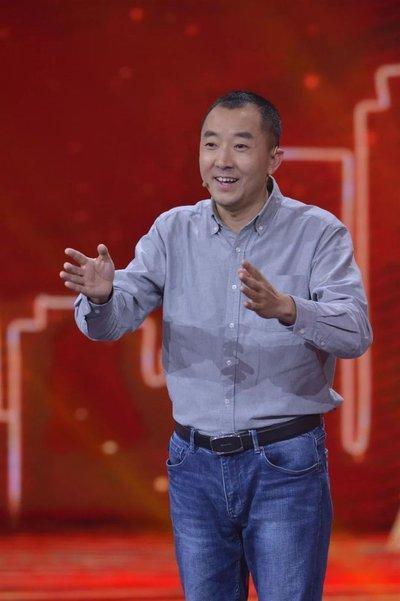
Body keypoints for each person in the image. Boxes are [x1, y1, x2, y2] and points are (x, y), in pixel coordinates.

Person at [60, 91, 373, 601]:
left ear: (273, 158)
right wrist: (101, 298)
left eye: (241, 146)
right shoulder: (172, 230)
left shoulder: (317, 233)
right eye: (211, 145)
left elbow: (355, 331)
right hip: (194, 465)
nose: (222, 160)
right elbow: (114, 321)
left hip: (285, 464)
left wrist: (288, 308)